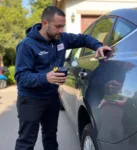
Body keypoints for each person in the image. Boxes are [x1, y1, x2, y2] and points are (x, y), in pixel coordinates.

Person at [14, 6, 111, 150]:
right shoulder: (27, 45)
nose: (61, 30)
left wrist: (98, 46)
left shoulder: (62, 38)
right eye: (57, 26)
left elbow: (83, 38)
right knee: (26, 141)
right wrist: (45, 77)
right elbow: (21, 76)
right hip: (30, 100)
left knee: (50, 136)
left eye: (63, 26)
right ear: (45, 23)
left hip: (52, 98)